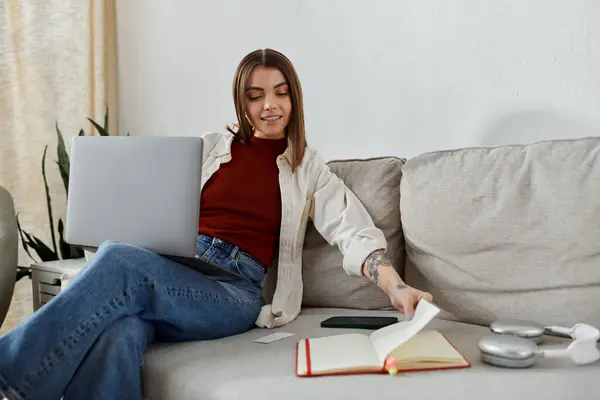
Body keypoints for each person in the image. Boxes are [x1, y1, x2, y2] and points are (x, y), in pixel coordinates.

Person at [0, 48, 432, 400]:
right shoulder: (207, 148)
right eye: (255, 95)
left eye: (281, 93)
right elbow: (152, 210)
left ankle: (10, 378)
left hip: (231, 292)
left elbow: (350, 229)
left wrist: (396, 286)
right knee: (122, 331)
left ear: (294, 99)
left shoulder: (308, 167)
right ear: (240, 102)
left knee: (119, 262)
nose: (269, 105)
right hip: (172, 266)